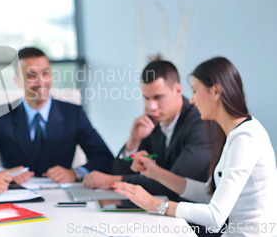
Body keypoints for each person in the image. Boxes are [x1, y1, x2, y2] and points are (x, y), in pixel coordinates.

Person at [113, 57, 277, 236]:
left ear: (215, 92)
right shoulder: (233, 134)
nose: (191, 100)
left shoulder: (246, 137)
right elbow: (209, 194)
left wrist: (155, 204)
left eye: (195, 91)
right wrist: (155, 172)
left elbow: (215, 216)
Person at [0, 47, 114, 187]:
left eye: (45, 73)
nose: (40, 81)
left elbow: (104, 158)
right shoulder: (2, 115)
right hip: (17, 195)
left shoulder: (73, 114)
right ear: (17, 81)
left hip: (61, 195)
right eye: (31, 75)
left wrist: (76, 173)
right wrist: (2, 173)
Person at [83, 60, 218, 200]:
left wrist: (110, 182)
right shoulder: (153, 122)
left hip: (190, 214)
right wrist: (133, 142)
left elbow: (173, 185)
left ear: (178, 90)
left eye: (158, 97)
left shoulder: (201, 123)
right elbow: (121, 171)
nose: (151, 106)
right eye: (146, 98)